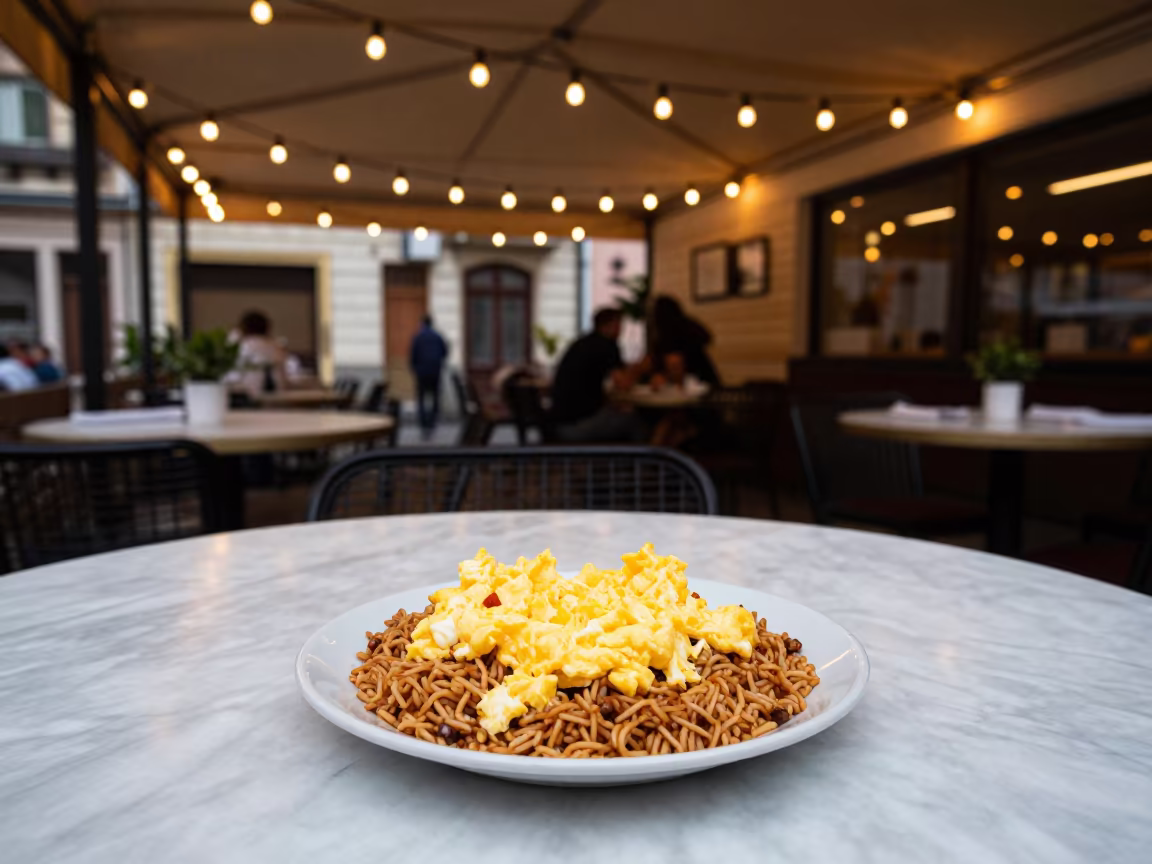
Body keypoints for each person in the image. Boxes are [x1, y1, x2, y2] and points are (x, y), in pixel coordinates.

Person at [549, 307, 645, 443]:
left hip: (560, 424)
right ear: (612, 325)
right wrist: (641, 368)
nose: (621, 330)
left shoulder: (582, 343)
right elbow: (624, 384)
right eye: (620, 325)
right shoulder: (607, 346)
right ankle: (644, 461)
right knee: (634, 420)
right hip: (578, 426)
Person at [648, 295, 720, 387]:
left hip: (695, 385)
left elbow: (672, 363)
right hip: (705, 380)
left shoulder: (668, 333)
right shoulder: (688, 324)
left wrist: (663, 375)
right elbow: (707, 338)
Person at [410, 315, 448, 439]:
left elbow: (413, 354)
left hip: (421, 372)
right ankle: (432, 422)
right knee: (435, 397)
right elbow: (445, 351)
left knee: (421, 398)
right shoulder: (437, 336)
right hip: (435, 371)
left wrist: (414, 368)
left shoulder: (418, 337)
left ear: (422, 323)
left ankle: (423, 423)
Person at [233, 310, 286, 398]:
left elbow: (233, 377)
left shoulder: (244, 346)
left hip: (248, 397)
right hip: (278, 397)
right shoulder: (275, 346)